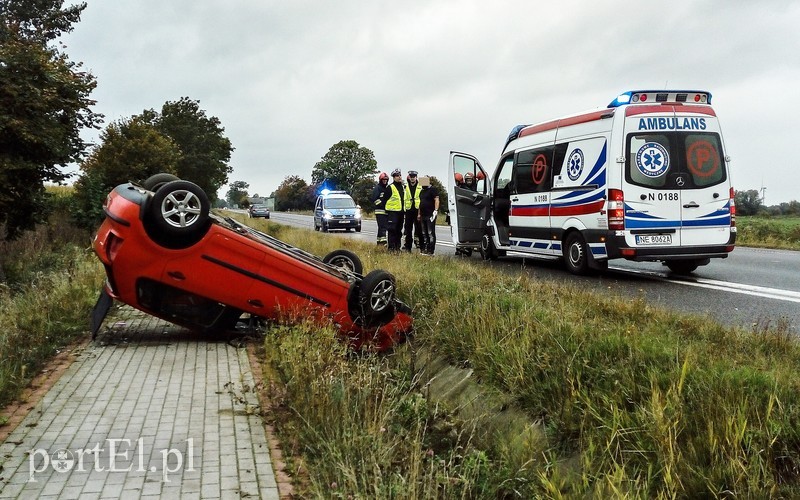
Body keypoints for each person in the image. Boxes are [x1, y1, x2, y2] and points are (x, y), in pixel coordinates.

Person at [418, 176, 439, 255]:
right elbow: (420, 203)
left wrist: (436, 210)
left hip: (430, 214)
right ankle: (426, 248)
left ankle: (431, 250)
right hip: (423, 215)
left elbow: (436, 200)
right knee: (424, 233)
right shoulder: (422, 191)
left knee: (430, 233)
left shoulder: (432, 190)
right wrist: (419, 214)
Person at [385, 169, 405, 252]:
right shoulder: (390, 187)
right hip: (392, 212)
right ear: (393, 177)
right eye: (397, 176)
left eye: (400, 175)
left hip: (401, 212)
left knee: (399, 231)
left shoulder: (404, 187)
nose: (399, 177)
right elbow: (385, 200)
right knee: (392, 230)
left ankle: (397, 247)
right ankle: (391, 248)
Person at [403, 170, 422, 252]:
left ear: (416, 177)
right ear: (409, 177)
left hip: (418, 210)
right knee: (408, 230)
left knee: (419, 229)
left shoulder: (421, 185)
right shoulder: (405, 186)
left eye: (414, 177)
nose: (412, 178)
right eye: (411, 177)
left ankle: (422, 246)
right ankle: (408, 247)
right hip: (408, 210)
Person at [371, 172, 389, 245]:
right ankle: (383, 242)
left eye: (386, 180)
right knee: (382, 227)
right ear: (380, 180)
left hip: (386, 211)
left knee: (382, 227)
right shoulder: (377, 188)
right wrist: (382, 205)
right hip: (379, 211)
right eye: (383, 179)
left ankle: (379, 242)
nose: (385, 181)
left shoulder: (387, 188)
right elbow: (374, 199)